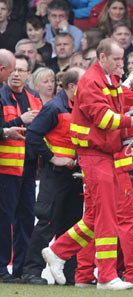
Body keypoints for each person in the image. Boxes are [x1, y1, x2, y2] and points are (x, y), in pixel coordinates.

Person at [41, 38, 133, 290]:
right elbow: (104, 120)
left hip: (104, 155)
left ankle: (59, 252)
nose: (120, 64)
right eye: (116, 59)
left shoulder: (108, 82)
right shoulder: (92, 82)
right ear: (102, 58)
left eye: (122, 59)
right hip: (96, 155)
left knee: (95, 216)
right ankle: (106, 276)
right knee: (104, 217)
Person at [21, 67, 85, 286]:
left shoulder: (79, 107)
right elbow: (33, 135)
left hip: (74, 175)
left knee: (72, 226)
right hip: (55, 174)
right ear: (72, 86)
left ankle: (70, 275)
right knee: (47, 222)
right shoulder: (54, 108)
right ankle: (31, 272)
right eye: (84, 84)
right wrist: (52, 158)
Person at [0, 54, 43, 283]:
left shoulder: (35, 98)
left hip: (29, 168)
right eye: (13, 69)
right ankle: (1, 269)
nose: (16, 74)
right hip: (5, 169)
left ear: (29, 74)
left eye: (21, 70)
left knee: (26, 219)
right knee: (5, 220)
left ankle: (22, 270)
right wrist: (19, 120)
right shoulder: (1, 95)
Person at [0, 49, 26, 142]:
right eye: (11, 71)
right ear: (2, 69)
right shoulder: (2, 92)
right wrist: (5, 132)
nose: (13, 75)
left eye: (21, 70)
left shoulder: (34, 97)